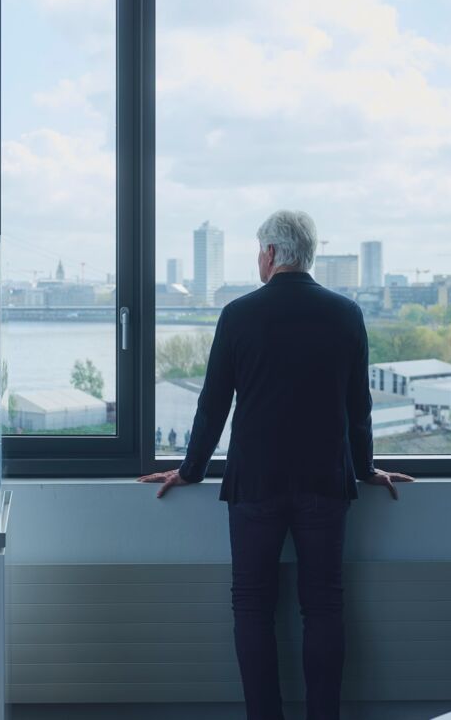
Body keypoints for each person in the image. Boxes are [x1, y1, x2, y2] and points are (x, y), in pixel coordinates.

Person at [139, 210, 413, 720]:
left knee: (252, 606)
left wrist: (191, 470)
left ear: (268, 254)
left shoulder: (238, 314)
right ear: (306, 255)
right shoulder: (345, 314)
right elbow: (360, 405)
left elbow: (213, 403)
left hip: (255, 484)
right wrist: (366, 467)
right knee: (325, 607)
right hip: (325, 483)